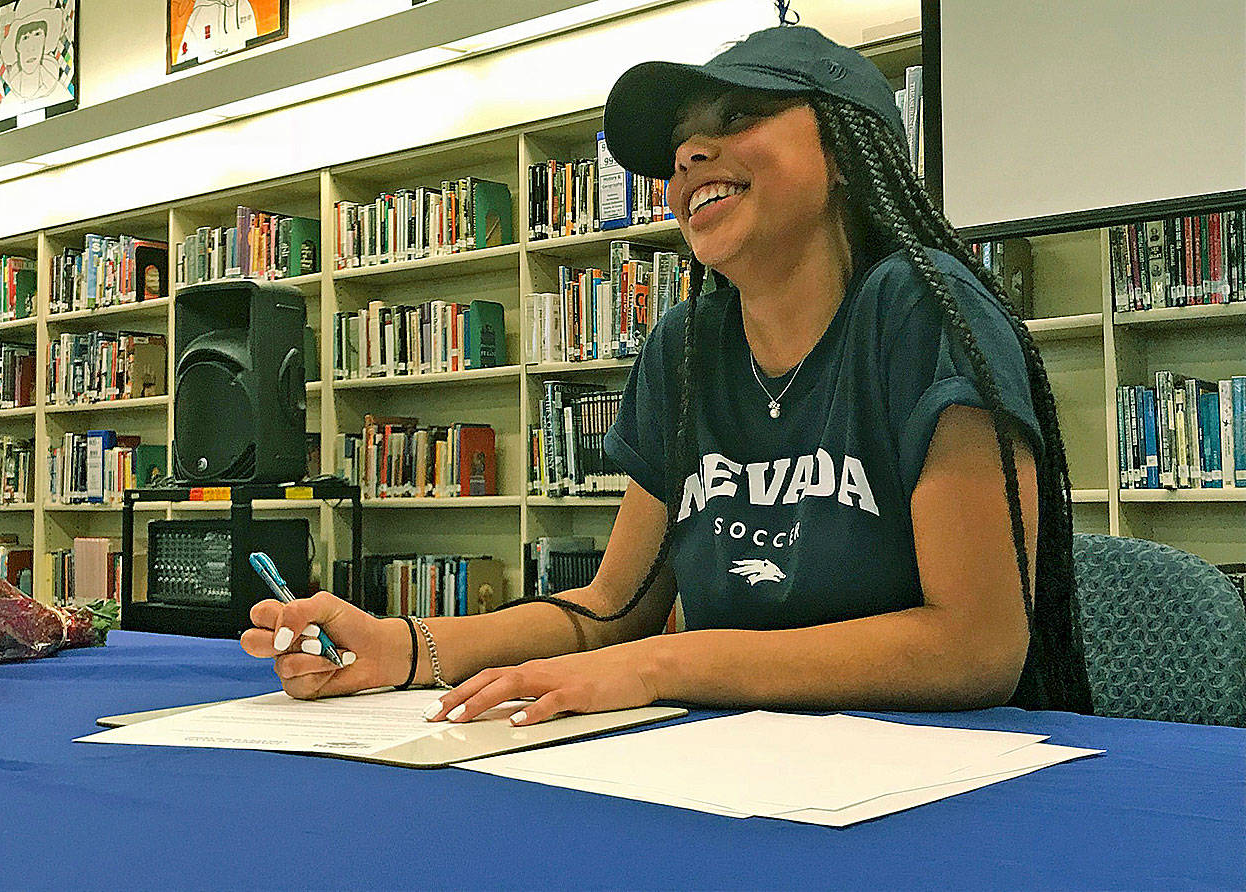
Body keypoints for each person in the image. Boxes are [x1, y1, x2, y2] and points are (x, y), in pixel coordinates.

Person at [241, 21, 1094, 724]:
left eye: (736, 119)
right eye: (681, 146)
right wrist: (405, 645)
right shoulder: (684, 347)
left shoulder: (925, 314)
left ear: (844, 151)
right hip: (721, 769)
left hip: (936, 782)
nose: (688, 157)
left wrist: (662, 666)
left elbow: (975, 648)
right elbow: (614, 608)